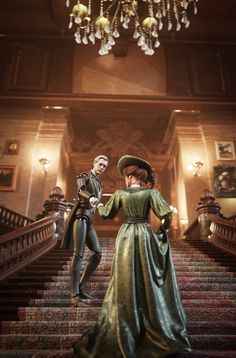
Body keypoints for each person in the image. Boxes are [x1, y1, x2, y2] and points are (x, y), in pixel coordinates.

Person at [73, 155, 192, 357]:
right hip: (145, 233)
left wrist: (98, 205)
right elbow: (166, 215)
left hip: (127, 234)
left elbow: (107, 214)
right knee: (145, 273)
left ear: (129, 177)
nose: (125, 179)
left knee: (125, 276)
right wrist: (162, 230)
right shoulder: (151, 194)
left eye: (126, 176)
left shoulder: (120, 193)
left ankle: (126, 319)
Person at [61, 155, 108, 307]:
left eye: (104, 166)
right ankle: (74, 296)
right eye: (100, 164)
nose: (102, 167)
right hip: (81, 217)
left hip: (90, 221)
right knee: (78, 254)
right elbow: (81, 190)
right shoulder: (84, 176)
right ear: (94, 163)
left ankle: (80, 287)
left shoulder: (100, 184)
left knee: (97, 254)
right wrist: (92, 198)